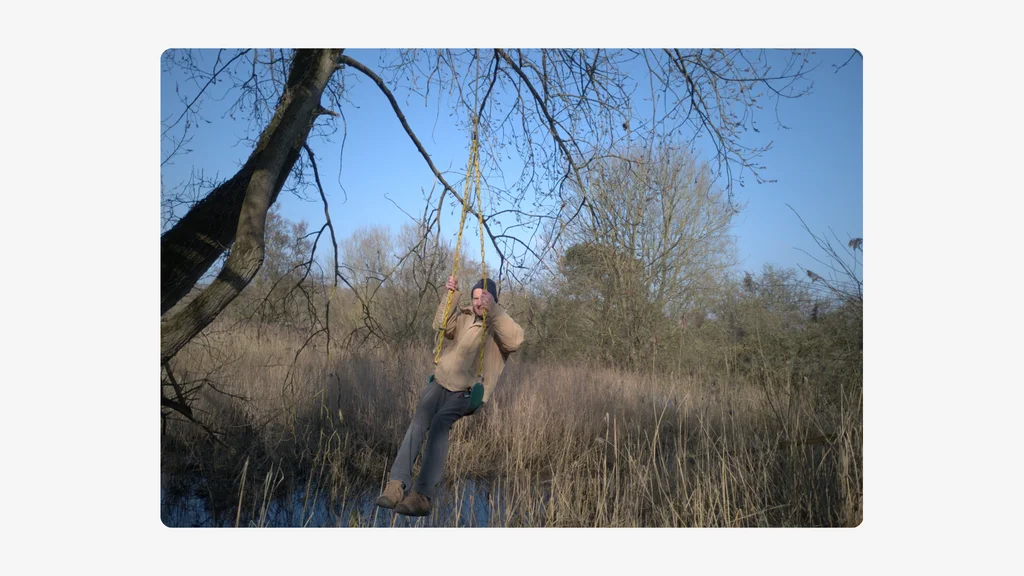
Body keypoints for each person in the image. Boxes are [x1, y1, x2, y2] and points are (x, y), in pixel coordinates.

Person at [375, 275, 525, 516]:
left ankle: (422, 496)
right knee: (418, 423)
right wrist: (450, 295)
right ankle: (396, 486)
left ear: (493, 300)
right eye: (476, 297)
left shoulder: (498, 327)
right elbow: (441, 326)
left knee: (439, 425)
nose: (478, 302)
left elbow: (516, 341)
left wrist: (494, 310)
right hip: (441, 381)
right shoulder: (465, 316)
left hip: (468, 392)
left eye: (484, 298)